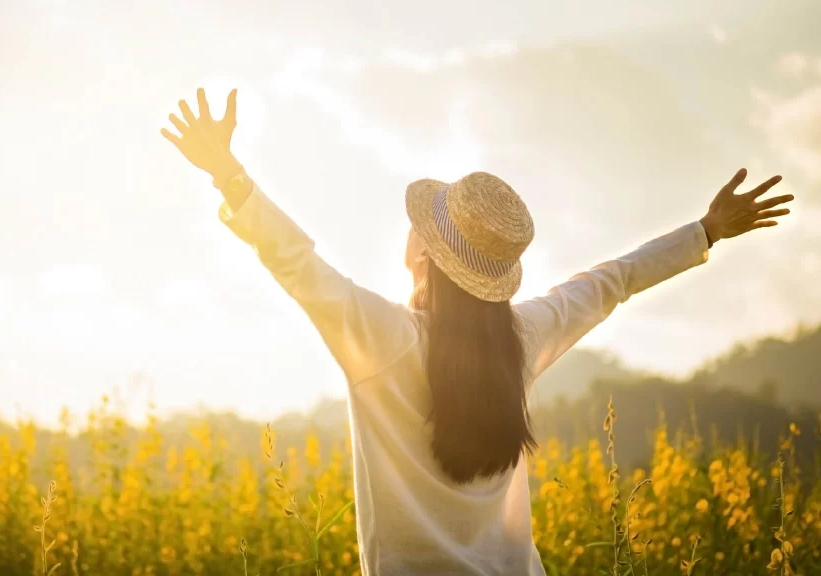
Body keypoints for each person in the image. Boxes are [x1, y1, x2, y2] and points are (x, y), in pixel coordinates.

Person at [160, 88, 794, 575]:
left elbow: (295, 263)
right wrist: (705, 230)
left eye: (423, 226)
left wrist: (230, 175)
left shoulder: (382, 338)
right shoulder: (520, 337)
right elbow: (612, 280)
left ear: (425, 257)